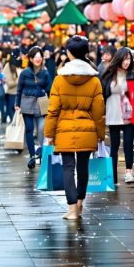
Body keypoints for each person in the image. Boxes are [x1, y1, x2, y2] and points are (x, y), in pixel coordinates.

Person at [45, 36, 105, 220]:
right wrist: (100, 134)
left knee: (68, 167)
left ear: (69, 53)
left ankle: (72, 209)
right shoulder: (94, 81)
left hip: (64, 129)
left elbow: (53, 109)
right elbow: (98, 111)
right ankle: (80, 203)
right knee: (83, 166)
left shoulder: (59, 79)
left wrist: (49, 134)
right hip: (87, 128)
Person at [100, 48, 134, 185]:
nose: (127, 62)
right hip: (113, 115)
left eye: (129, 59)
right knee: (114, 146)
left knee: (128, 145)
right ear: (118, 59)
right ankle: (112, 176)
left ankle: (129, 173)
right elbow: (102, 95)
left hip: (129, 115)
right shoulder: (108, 76)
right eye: (124, 59)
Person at [15, 46, 51, 169]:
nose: (37, 59)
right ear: (30, 58)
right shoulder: (25, 73)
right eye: (35, 57)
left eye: (39, 57)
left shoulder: (45, 72)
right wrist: (17, 104)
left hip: (42, 102)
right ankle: (31, 156)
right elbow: (19, 89)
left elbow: (50, 88)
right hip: (27, 102)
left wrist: (44, 91)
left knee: (42, 128)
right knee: (29, 129)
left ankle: (41, 148)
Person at [3, 50, 22, 124]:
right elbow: (8, 82)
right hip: (11, 93)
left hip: (18, 92)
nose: (20, 57)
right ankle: (13, 126)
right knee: (12, 111)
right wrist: (19, 81)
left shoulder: (19, 65)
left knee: (15, 112)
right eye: (19, 56)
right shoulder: (8, 66)